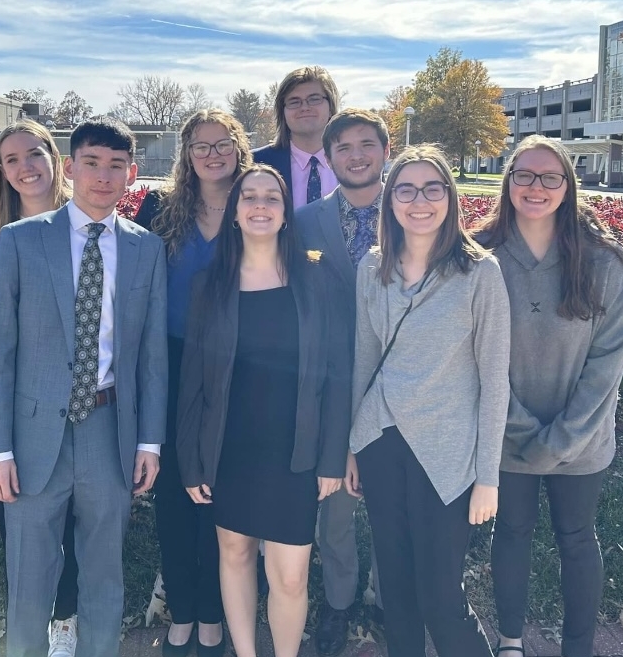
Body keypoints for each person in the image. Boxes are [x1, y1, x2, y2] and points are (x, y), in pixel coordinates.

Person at [0, 117, 168, 657]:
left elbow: (151, 356)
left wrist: (149, 441)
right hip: (34, 434)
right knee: (30, 577)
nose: (102, 177)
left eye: (115, 167)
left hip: (111, 429)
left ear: (132, 173)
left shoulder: (145, 248)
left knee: (104, 574)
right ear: (70, 166)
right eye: (91, 163)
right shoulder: (20, 241)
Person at [176, 165, 352, 657]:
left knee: (291, 576)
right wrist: (191, 460)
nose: (259, 205)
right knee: (233, 555)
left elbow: (340, 374)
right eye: (248, 196)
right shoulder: (208, 286)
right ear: (234, 213)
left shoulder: (317, 278)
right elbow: (191, 382)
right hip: (229, 448)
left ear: (285, 212)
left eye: (271, 197)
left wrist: (333, 459)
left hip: (297, 451)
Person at [476, 135, 623, 657]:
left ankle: (578, 648)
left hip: (583, 441)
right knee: (512, 534)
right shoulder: (479, 257)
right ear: (508, 182)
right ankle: (510, 642)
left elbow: (607, 366)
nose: (536, 187)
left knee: (577, 538)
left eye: (551, 177)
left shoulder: (605, 263)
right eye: (524, 175)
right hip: (507, 435)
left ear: (569, 186)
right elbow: (472, 357)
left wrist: (562, 439)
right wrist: (523, 431)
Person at [347, 145, 509, 657]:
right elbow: (363, 362)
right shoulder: (373, 268)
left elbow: (495, 381)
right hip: (379, 443)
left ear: (450, 198)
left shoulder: (480, 274)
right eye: (406, 189)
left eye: (432, 188)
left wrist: (488, 477)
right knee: (395, 591)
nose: (420, 201)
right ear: (390, 201)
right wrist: (352, 445)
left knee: (440, 597)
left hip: (446, 454)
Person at [133, 109, 254, 657]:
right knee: (176, 498)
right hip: (172, 364)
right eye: (199, 145)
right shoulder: (160, 208)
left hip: (238, 365)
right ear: (186, 153)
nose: (211, 153)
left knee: (221, 498)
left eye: (222, 143)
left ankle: (213, 616)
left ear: (238, 147)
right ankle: (182, 613)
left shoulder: (256, 201)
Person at [0, 119, 81, 657]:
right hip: (16, 399)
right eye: (11, 159)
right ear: (1, 171)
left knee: (77, 522)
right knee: (19, 519)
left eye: (33, 153)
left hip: (82, 399)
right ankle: (27, 627)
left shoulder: (90, 219)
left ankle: (66, 621)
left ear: (54, 156)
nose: (24, 167)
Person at [294, 107, 389, 656]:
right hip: (327, 384)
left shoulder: (411, 211)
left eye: (366, 144)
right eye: (343, 148)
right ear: (328, 159)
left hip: (397, 379)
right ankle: (337, 603)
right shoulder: (306, 222)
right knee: (334, 506)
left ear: (383, 149)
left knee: (392, 500)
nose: (355, 155)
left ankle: (385, 597)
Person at [253, 66, 339, 210]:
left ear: (330, 107)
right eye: (294, 101)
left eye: (314, 99)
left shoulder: (354, 162)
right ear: (283, 112)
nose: (304, 107)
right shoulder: (255, 163)